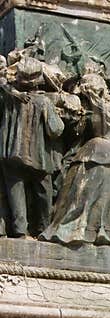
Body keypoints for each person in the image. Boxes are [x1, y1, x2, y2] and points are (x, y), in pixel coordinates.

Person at [39, 66, 110, 246]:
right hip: (108, 155)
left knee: (77, 197)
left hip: (88, 153)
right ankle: (96, 232)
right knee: (101, 201)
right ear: (103, 89)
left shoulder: (84, 105)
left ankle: (72, 229)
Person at [0, 56, 65, 237]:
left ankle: (20, 231)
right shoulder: (44, 102)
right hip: (39, 157)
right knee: (44, 191)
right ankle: (43, 227)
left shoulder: (8, 98)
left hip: (10, 153)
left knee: (16, 192)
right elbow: (56, 130)